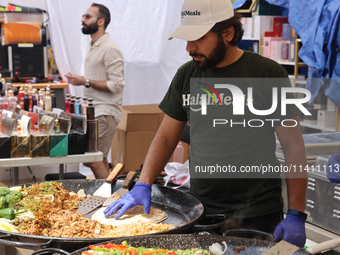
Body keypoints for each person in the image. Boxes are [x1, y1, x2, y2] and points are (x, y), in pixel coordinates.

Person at [104, 0, 307, 247]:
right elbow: (166, 138)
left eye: (198, 38)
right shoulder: (187, 75)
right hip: (199, 211)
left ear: (228, 33)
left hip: (258, 215)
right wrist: (144, 182)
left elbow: (293, 147)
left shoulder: (267, 73)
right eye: (187, 39)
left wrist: (296, 213)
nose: (189, 47)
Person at [66, 3, 125, 179]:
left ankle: (110, 201)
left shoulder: (110, 48)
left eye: (87, 17)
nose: (83, 20)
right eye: (83, 16)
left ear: (101, 21)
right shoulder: (95, 46)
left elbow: (117, 84)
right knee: (100, 158)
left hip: (106, 111)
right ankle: (113, 199)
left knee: (93, 159)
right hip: (97, 111)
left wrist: (85, 81)